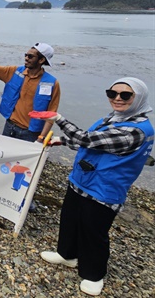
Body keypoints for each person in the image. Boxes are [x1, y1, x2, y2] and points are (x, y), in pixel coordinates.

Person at [38, 77, 153, 296]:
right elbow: (91, 143)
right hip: (81, 181)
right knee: (70, 220)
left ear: (139, 98)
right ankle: (67, 255)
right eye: (112, 93)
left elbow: (86, 138)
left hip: (104, 189)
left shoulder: (136, 131)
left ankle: (93, 274)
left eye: (125, 95)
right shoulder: (112, 119)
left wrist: (59, 118)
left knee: (93, 232)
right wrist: (61, 142)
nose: (117, 99)